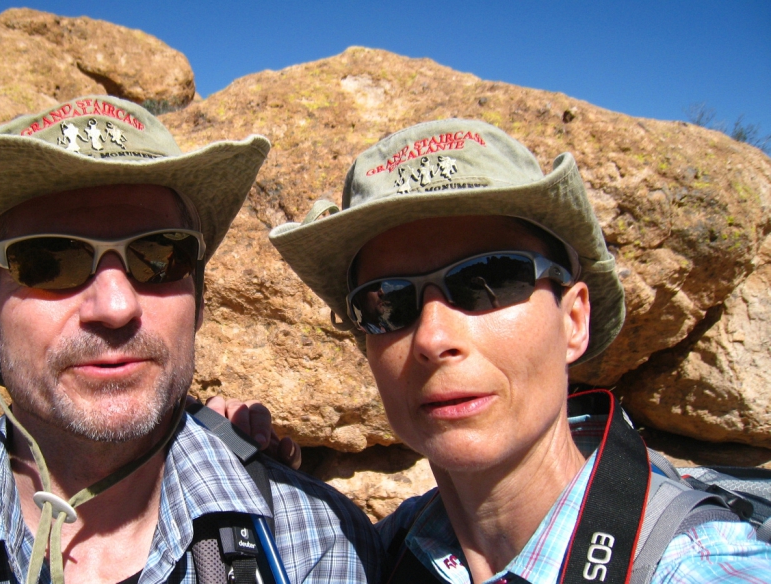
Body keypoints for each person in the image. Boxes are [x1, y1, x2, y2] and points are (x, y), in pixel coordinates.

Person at [0, 95, 382, 584]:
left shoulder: (312, 549)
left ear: (196, 296)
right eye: (50, 260)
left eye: (160, 256)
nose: (117, 307)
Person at [268, 119, 771, 583]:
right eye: (387, 304)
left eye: (488, 280)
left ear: (573, 320)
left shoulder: (692, 564)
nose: (432, 338)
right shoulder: (394, 547)